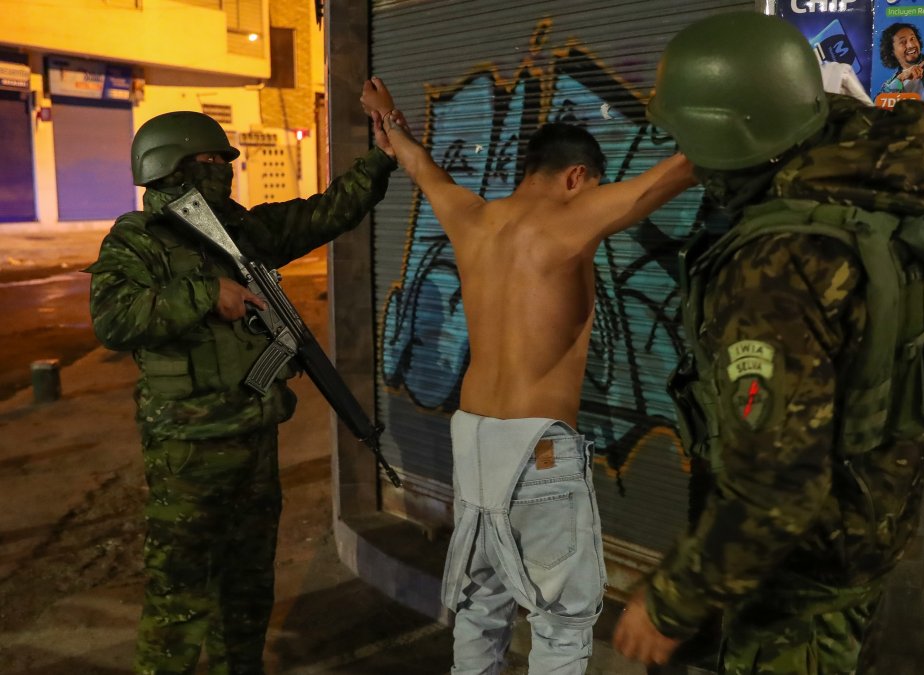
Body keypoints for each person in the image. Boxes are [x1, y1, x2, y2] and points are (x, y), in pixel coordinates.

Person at [612, 12, 924, 673]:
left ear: (730, 132)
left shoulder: (776, 270)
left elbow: (777, 485)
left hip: (802, 584)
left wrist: (670, 602)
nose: (681, 153)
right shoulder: (866, 193)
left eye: (687, 135)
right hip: (863, 531)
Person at [359, 78, 695, 673]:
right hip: (537, 449)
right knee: (562, 622)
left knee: (480, 605)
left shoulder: (472, 217)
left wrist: (392, 128)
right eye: (592, 183)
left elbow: (423, 172)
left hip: (474, 441)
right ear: (575, 176)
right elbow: (670, 177)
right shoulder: (573, 215)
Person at [87, 106, 399, 674]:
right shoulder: (136, 241)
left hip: (254, 439)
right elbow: (113, 319)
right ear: (172, 168)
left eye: (222, 162)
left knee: (248, 583)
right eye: (210, 161)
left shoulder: (239, 231)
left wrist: (381, 159)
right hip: (189, 448)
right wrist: (208, 294)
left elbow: (323, 215)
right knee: (179, 593)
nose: (222, 171)